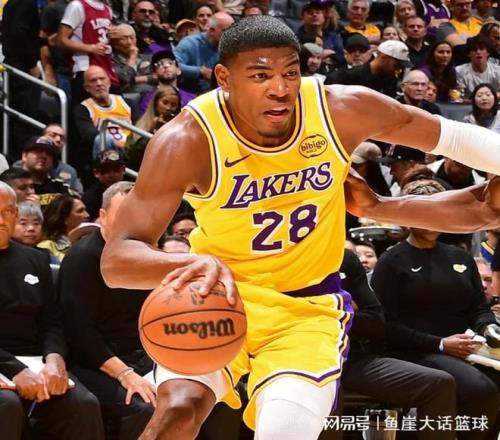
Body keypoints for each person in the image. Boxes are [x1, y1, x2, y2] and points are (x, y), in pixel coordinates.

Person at [101, 16, 500, 440]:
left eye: (290, 73)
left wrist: (378, 206)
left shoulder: (342, 110)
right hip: (216, 295)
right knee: (178, 411)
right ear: (224, 78)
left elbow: (457, 141)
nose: (280, 89)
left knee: (284, 431)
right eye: (260, 75)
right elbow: (116, 261)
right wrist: (188, 264)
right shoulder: (187, 139)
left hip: (306, 309)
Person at [371, 177, 500, 440]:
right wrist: (440, 344)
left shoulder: (460, 257)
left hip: (466, 347)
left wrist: (488, 327)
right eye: (423, 213)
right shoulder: (391, 261)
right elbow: (385, 324)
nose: (431, 220)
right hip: (414, 351)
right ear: (407, 218)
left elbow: (479, 308)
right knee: (480, 389)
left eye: (437, 213)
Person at [0, 182, 105, 440]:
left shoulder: (35, 258)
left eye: (8, 211)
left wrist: (55, 359)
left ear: (16, 213)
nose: (2, 220)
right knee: (7, 405)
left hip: (36, 361)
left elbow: (52, 320)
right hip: (5, 363)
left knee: (83, 404)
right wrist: (14, 369)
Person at [60, 182, 155, 440]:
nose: (132, 222)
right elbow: (80, 334)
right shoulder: (82, 258)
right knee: (144, 406)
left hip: (143, 358)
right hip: (92, 363)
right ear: (102, 216)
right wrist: (125, 374)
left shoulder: (146, 253)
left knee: (206, 394)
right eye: (124, 214)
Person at [174, 11, 234, 94]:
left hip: (218, 92)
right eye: (226, 31)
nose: (231, 35)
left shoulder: (231, 46)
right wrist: (200, 71)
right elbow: (174, 65)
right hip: (189, 93)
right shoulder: (190, 43)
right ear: (211, 30)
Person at [327, 40, 411, 98]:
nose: (398, 69)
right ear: (384, 57)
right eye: (396, 65)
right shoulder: (347, 76)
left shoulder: (391, 80)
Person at [128, 87, 182, 169]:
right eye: (165, 103)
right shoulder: (141, 125)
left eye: (174, 105)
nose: (168, 108)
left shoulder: (180, 129)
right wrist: (152, 132)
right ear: (156, 102)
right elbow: (131, 156)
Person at [37, 194, 89, 262]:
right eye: (80, 211)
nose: (87, 215)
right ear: (64, 218)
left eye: (85, 210)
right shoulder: (47, 247)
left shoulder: (90, 242)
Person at [83, 150, 127, 220]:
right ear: (96, 173)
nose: (111, 175)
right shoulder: (90, 199)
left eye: (116, 170)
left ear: (123, 170)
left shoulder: (132, 192)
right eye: (106, 171)